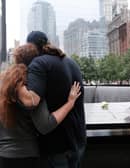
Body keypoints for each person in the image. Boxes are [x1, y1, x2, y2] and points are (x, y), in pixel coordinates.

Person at [0, 43, 81, 168]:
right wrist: (70, 103)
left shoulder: (3, 82)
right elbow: (45, 125)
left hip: (4, 155)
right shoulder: (31, 86)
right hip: (27, 156)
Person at [18, 31, 87, 168]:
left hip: (57, 145)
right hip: (78, 141)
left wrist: (14, 81)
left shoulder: (38, 64)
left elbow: (32, 101)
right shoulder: (71, 62)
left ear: (30, 47)